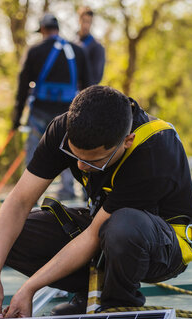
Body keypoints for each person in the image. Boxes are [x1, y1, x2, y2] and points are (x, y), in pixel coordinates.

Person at [0, 85, 192, 319]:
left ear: (127, 141)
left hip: (161, 245)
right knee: (8, 239)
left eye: (95, 161)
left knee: (123, 227)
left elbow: (94, 235)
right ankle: (91, 290)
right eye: (75, 156)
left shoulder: (155, 151)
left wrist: (29, 288)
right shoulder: (63, 129)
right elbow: (19, 201)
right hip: (106, 228)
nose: (81, 167)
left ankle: (119, 307)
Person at [11, 13, 90, 178]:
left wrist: (16, 119)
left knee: (34, 151)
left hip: (40, 110)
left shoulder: (34, 51)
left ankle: (29, 192)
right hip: (67, 111)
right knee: (68, 149)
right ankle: (67, 189)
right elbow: (88, 86)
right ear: (57, 29)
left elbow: (22, 87)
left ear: (43, 30)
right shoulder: (78, 51)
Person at [54, 5, 107, 201]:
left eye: (88, 21)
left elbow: (95, 78)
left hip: (88, 102)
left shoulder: (96, 47)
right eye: (82, 20)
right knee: (66, 144)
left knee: (88, 146)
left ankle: (89, 190)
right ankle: (66, 187)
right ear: (78, 20)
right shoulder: (71, 45)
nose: (85, 24)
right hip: (69, 101)